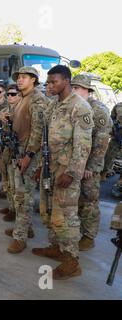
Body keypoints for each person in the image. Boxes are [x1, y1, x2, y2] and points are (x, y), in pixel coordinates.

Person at [33, 65, 93, 280]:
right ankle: (56, 247)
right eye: (48, 82)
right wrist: (41, 166)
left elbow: (83, 145)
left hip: (66, 171)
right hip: (50, 168)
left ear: (66, 81)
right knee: (49, 210)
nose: (49, 86)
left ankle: (71, 261)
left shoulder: (80, 107)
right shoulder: (53, 105)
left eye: (53, 82)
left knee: (66, 216)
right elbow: (46, 140)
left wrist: (73, 172)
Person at [4, 67, 49, 254]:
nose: (20, 80)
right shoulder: (23, 98)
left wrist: (29, 156)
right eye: (18, 77)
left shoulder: (37, 100)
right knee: (17, 193)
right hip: (18, 151)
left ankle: (20, 237)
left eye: (24, 77)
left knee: (24, 197)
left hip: (28, 154)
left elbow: (38, 132)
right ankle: (25, 228)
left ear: (34, 80)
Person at [71, 74, 112, 251]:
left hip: (89, 166)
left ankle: (89, 236)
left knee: (89, 200)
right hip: (76, 162)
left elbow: (102, 142)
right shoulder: (76, 107)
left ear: (87, 90)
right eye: (72, 87)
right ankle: (78, 231)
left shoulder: (98, 110)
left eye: (77, 88)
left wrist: (90, 166)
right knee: (78, 199)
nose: (74, 91)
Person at [0, 84, 21, 220]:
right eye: (9, 94)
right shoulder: (5, 110)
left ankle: (17, 211)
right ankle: (11, 206)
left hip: (17, 150)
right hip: (6, 148)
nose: (10, 97)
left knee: (17, 185)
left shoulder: (21, 110)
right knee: (8, 180)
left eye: (14, 94)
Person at [102, 102, 122, 180]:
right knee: (109, 156)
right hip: (117, 137)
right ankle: (103, 174)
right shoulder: (119, 106)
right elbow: (112, 118)